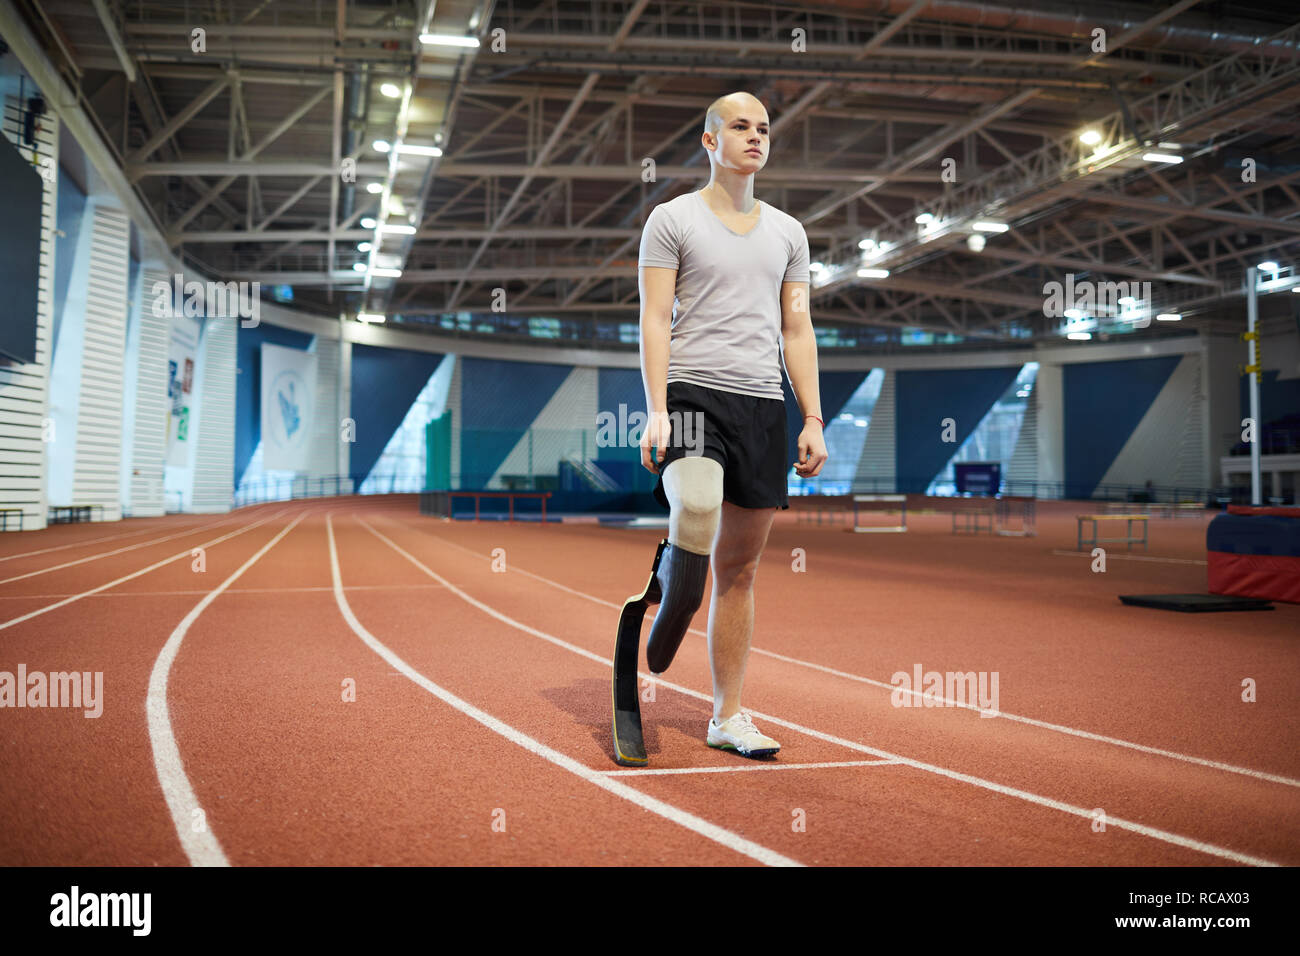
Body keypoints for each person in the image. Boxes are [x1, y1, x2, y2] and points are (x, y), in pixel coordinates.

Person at [632, 91, 828, 757]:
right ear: (710, 141)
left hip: (763, 408)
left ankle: (727, 716)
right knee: (697, 505)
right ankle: (673, 592)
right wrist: (657, 410)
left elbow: (797, 327)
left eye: (764, 128)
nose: (755, 136)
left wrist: (813, 417)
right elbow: (655, 318)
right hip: (692, 396)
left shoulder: (789, 235)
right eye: (740, 126)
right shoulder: (672, 219)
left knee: (740, 569)